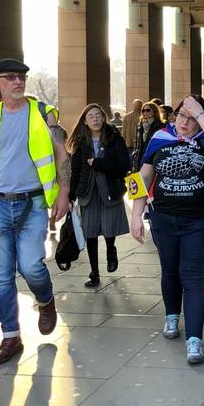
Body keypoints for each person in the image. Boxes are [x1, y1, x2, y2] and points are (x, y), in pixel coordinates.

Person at [0, 58, 69, 366]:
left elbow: (61, 153)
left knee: (32, 267)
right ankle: (11, 336)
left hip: (33, 204)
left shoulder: (43, 114)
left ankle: (46, 302)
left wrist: (64, 192)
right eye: (10, 77)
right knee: (2, 277)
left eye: (21, 77)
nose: (18, 82)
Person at [130, 94, 204, 365]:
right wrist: (136, 215)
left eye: (191, 117)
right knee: (170, 271)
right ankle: (172, 315)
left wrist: (200, 115)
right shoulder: (160, 138)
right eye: (181, 115)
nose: (184, 122)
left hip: (197, 221)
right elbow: (144, 177)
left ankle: (195, 340)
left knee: (193, 277)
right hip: (164, 218)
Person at [67, 104, 132, 287]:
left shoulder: (114, 139)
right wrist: (71, 196)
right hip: (88, 192)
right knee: (90, 232)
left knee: (109, 228)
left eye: (98, 115)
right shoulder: (81, 143)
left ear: (104, 118)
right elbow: (76, 171)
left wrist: (99, 163)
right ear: (85, 121)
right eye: (91, 117)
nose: (95, 119)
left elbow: (123, 165)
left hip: (109, 190)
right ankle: (94, 272)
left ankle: (111, 249)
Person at [133, 101, 163, 171]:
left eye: (148, 110)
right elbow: (138, 143)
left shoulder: (160, 125)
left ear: (154, 111)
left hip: (152, 158)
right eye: (143, 110)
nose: (145, 113)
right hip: (139, 158)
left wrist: (147, 131)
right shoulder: (140, 125)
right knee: (138, 181)